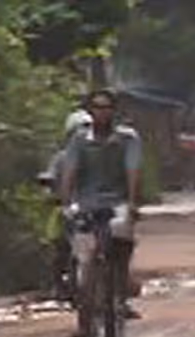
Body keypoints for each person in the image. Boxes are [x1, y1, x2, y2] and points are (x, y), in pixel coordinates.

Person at [59, 89, 144, 321]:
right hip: (86, 203)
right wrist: (66, 203)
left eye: (106, 107)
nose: (102, 112)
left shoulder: (128, 139)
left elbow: (132, 171)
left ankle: (120, 291)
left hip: (118, 202)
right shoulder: (79, 140)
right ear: (90, 111)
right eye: (97, 107)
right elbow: (69, 171)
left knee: (122, 240)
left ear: (114, 111)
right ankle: (84, 310)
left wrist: (133, 203)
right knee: (84, 256)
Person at [47, 109, 93, 301]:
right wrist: (52, 194)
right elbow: (50, 179)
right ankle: (59, 283)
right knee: (58, 241)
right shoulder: (61, 158)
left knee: (119, 243)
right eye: (79, 130)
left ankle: (119, 292)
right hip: (72, 209)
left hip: (100, 208)